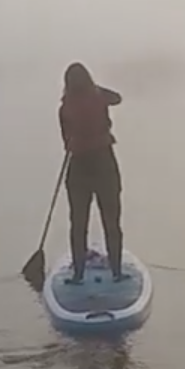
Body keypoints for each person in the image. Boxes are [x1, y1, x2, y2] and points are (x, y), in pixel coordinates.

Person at [57, 62, 127, 285]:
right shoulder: (100, 98)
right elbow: (118, 97)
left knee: (78, 223)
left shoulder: (65, 108)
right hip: (104, 163)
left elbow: (66, 141)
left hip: (78, 167)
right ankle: (116, 272)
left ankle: (78, 274)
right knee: (112, 221)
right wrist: (97, 90)